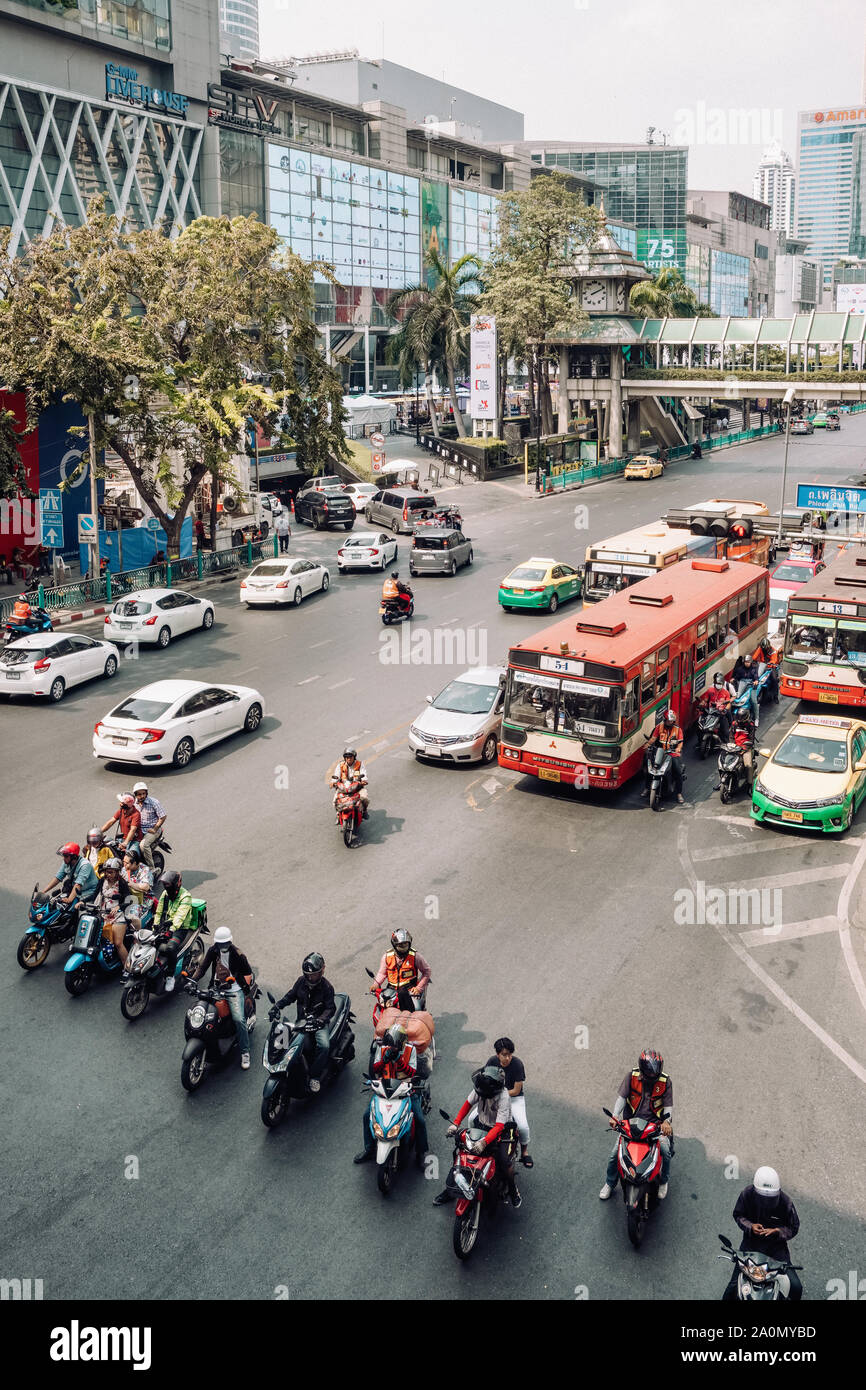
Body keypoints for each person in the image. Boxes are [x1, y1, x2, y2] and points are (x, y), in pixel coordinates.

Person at [433, 1065, 521, 1209]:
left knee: (504, 1162)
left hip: (503, 1129)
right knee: (463, 1152)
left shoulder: (504, 1097)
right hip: (481, 1125)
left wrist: (484, 1143)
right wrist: (455, 1124)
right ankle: (451, 1190)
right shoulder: (480, 1087)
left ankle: (513, 1190)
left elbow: (499, 1126)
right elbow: (467, 1104)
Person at [600, 1049, 673, 1200]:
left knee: (665, 1152)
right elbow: (621, 1098)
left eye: (656, 1074)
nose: (653, 1077)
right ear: (642, 1070)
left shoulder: (665, 1082)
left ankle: (664, 1181)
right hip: (631, 1125)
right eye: (650, 1075)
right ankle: (609, 1183)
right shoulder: (631, 1076)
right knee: (615, 1155)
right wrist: (614, 1116)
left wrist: (666, 1122)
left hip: (654, 1127)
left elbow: (668, 1107)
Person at [353, 1022, 429, 1168]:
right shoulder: (382, 1049)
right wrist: (384, 1059)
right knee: (367, 1115)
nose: (392, 1047)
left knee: (419, 1119)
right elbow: (375, 1069)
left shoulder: (410, 1050)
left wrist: (398, 1060)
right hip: (385, 1087)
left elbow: (411, 1072)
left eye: (394, 1045)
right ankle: (369, 1149)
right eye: (390, 1044)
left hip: (405, 1088)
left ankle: (421, 1153)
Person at [722, 1167, 802, 1301]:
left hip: (776, 1250)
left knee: (796, 1287)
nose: (766, 1204)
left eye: (770, 1199)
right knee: (732, 1288)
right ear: (755, 1191)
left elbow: (794, 1226)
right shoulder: (746, 1195)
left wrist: (778, 1232)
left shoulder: (786, 1202)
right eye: (763, 1199)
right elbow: (738, 1214)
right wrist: (750, 1226)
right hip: (750, 1247)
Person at [188, 926, 254, 1069]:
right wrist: (192, 981)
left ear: (230, 942)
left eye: (225, 943)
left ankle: (245, 1052)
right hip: (215, 988)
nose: (223, 946)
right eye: (220, 944)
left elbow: (248, 972)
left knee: (239, 1019)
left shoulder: (238, 955)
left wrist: (235, 981)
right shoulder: (213, 950)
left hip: (234, 990)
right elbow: (202, 967)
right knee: (202, 1011)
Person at [273, 953, 336, 1093]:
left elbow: (330, 1008)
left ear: (321, 972)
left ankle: (314, 1076)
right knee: (285, 1040)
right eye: (307, 974)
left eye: (313, 974)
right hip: (301, 1023)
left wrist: (320, 1021)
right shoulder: (301, 982)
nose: (310, 977)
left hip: (318, 1024)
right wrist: (277, 1006)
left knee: (324, 1046)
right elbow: (290, 996)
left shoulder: (327, 987)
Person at [488, 1037, 531, 1168]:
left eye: (509, 1054)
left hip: (514, 1099)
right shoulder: (491, 1062)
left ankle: (524, 1152)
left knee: (523, 1127)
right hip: (494, 1097)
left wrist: (500, 1094)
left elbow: (516, 1090)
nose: (507, 1058)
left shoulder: (518, 1064)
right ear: (497, 1054)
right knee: (473, 1118)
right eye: (504, 1055)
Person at [372, 929, 432, 1012]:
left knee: (412, 1013)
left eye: (405, 945)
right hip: (392, 990)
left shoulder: (415, 956)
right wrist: (376, 984)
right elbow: (382, 973)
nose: (403, 948)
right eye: (400, 945)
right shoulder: (387, 957)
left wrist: (418, 988)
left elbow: (427, 971)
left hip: (409, 991)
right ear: (394, 945)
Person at [153, 869, 193, 989]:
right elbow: (159, 912)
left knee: (170, 948)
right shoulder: (165, 895)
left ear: (176, 884)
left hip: (180, 928)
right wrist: (155, 925)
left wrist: (171, 930)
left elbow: (180, 917)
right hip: (166, 925)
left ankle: (170, 977)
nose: (165, 887)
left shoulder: (185, 897)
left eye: (168, 884)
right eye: (164, 884)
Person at [95, 857, 137, 968]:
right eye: (106, 872)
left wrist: (119, 906)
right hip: (103, 914)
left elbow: (129, 899)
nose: (107, 874)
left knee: (118, 943)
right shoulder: (102, 881)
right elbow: (94, 895)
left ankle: (128, 967)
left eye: (110, 872)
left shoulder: (121, 883)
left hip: (118, 916)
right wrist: (82, 901)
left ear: (117, 872)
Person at [642, 709, 684, 804]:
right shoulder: (659, 727)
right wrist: (648, 744)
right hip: (660, 753)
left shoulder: (678, 730)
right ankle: (647, 788)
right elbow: (653, 738)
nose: (671, 722)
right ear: (664, 719)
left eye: (672, 721)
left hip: (672, 753)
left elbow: (680, 743)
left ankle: (679, 793)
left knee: (678, 772)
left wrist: (678, 749)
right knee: (650, 769)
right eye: (669, 721)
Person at [42, 842, 99, 907]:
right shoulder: (67, 863)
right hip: (75, 891)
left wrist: (69, 899)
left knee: (78, 911)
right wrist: (43, 892)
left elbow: (78, 884)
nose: (64, 858)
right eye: (63, 855)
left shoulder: (85, 865)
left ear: (73, 856)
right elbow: (58, 878)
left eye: (66, 856)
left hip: (88, 893)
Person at [131, 782, 166, 869]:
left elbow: (163, 817)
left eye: (144, 793)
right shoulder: (133, 803)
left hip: (152, 830)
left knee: (143, 845)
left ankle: (151, 869)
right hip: (138, 829)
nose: (142, 796)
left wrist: (155, 828)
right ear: (135, 795)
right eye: (139, 794)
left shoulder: (154, 802)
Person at [330, 747, 369, 821]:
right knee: (335, 800)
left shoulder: (360, 764)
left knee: (365, 798)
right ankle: (338, 814)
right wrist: (333, 782)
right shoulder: (340, 765)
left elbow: (364, 773)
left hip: (357, 787)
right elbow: (336, 775)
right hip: (344, 788)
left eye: (350, 757)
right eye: (347, 757)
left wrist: (364, 780)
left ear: (354, 757)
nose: (349, 759)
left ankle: (364, 811)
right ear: (345, 758)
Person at [697, 673, 733, 745]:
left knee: (725, 731)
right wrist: (702, 703)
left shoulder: (726, 693)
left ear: (722, 684)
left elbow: (728, 703)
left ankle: (726, 744)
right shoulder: (710, 690)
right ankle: (699, 741)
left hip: (720, 713)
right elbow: (705, 700)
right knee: (699, 728)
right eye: (717, 683)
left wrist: (725, 709)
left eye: (720, 683)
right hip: (710, 712)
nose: (718, 685)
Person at [731, 652, 761, 727]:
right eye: (746, 662)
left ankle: (757, 718)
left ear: (751, 662)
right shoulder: (740, 669)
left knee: (754, 701)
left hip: (751, 685)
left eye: (748, 662)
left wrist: (755, 682)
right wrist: (733, 679)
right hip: (742, 682)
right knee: (737, 697)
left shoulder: (754, 669)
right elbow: (737, 677)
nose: (747, 663)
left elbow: (756, 677)